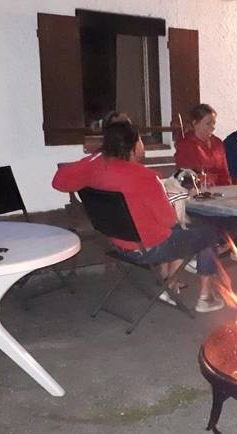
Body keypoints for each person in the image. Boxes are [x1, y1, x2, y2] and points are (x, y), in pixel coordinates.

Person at [52, 119, 225, 313]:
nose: (142, 144)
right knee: (209, 231)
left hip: (116, 242)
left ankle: (170, 284)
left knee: (186, 230)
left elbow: (59, 181)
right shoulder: (145, 177)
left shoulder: (96, 168)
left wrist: (95, 158)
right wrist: (172, 198)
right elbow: (168, 219)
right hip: (147, 249)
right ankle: (205, 297)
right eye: (140, 139)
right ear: (133, 146)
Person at [174, 104, 231, 186]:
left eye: (214, 123)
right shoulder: (185, 145)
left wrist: (228, 188)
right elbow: (186, 176)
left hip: (221, 189)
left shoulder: (217, 143)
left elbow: (225, 173)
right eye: (208, 123)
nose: (213, 127)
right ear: (195, 123)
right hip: (198, 190)